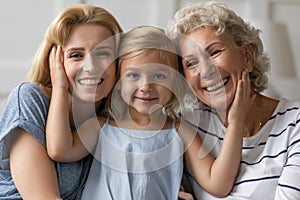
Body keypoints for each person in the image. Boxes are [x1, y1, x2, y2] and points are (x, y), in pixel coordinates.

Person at [45, 25, 253, 199]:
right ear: (118, 82)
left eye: (160, 76)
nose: (146, 86)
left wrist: (235, 123)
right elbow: (59, 150)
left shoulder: (180, 132)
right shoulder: (100, 127)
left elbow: (218, 184)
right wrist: (60, 88)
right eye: (134, 75)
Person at [167, 1, 300, 199]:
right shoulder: (186, 127)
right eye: (191, 63)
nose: (205, 70)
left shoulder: (294, 123)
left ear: (247, 56)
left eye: (214, 52)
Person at [0, 4, 122, 199]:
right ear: (56, 61)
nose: (90, 66)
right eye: (76, 55)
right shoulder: (29, 99)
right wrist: (60, 88)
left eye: (103, 53)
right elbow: (43, 197)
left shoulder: (111, 120)